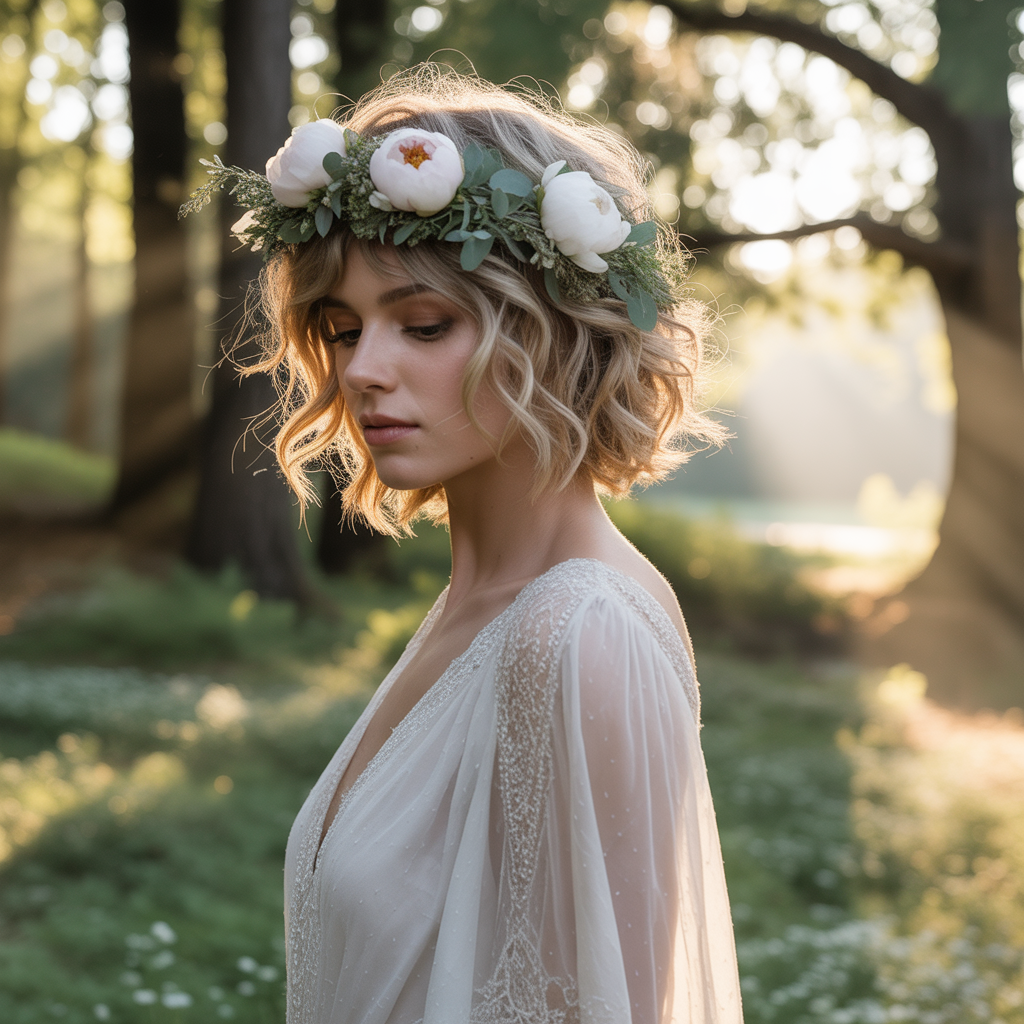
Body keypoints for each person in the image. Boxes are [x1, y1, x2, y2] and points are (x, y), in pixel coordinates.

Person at [187, 66, 742, 1024]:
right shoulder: (480, 608)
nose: (362, 369)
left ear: (554, 330)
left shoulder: (578, 635)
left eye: (425, 323)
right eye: (344, 326)